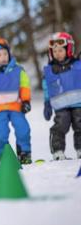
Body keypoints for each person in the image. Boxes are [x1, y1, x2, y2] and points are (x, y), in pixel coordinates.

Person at [0, 38, 32, 164]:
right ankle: (3, 156)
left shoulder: (17, 70)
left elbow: (25, 86)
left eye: (5, 54)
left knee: (23, 129)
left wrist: (25, 101)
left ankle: (24, 153)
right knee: (0, 133)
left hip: (16, 107)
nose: (3, 57)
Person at [42, 32, 81, 161]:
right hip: (61, 106)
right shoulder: (50, 70)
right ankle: (58, 151)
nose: (57, 53)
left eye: (60, 50)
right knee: (59, 126)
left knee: (80, 125)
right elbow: (47, 87)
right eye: (55, 51)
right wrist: (47, 102)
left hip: (78, 104)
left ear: (68, 49)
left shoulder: (78, 65)